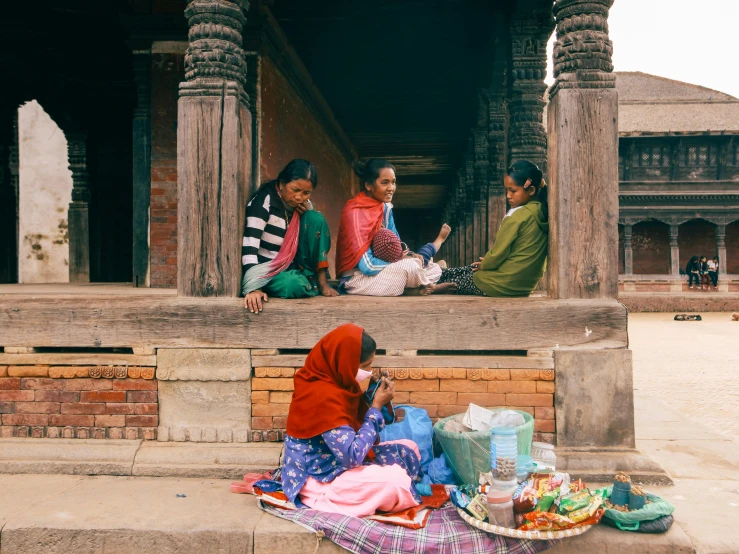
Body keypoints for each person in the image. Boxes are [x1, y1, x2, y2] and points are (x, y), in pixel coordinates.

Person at [282, 324, 422, 517]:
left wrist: (374, 396)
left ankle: (386, 489)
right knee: (395, 481)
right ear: (344, 361)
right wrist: (375, 407)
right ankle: (325, 497)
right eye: (365, 367)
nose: (370, 371)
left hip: (336, 460)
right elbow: (353, 456)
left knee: (409, 448)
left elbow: (369, 422)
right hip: (319, 476)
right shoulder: (321, 396)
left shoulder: (339, 381)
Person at [335, 159, 455, 296]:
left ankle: (413, 288)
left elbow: (397, 245)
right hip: (357, 278)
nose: (391, 188)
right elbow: (368, 267)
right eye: (385, 182)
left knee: (431, 267)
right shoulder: (355, 213)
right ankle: (423, 287)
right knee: (411, 267)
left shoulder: (385, 208)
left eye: (393, 182)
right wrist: (404, 260)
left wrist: (409, 255)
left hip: (385, 271)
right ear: (368, 185)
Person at [436, 160, 549, 297]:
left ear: (531, 190)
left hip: (499, 284)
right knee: (468, 269)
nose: (508, 195)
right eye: (507, 190)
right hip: (524, 286)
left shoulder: (517, 215)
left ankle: (428, 276)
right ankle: (435, 271)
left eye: (513, 191)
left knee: (454, 276)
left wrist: (485, 265)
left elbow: (498, 254)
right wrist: (487, 263)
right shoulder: (541, 211)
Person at [241, 159, 339, 313]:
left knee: (315, 217)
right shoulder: (263, 203)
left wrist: (306, 214)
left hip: (295, 265)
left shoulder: (302, 207)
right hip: (269, 272)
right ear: (282, 183)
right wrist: (254, 288)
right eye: (295, 190)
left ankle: (320, 281)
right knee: (293, 284)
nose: (299, 197)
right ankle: (308, 283)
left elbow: (310, 237)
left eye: (306, 193)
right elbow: (249, 246)